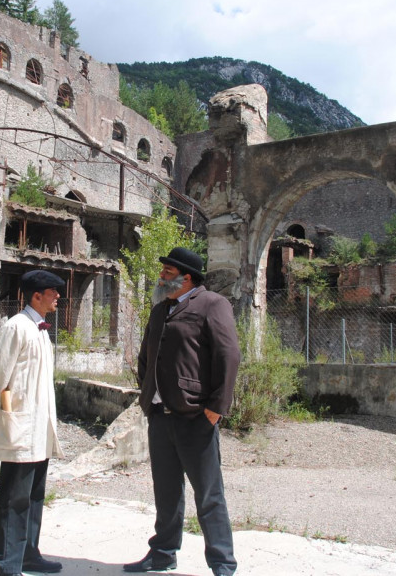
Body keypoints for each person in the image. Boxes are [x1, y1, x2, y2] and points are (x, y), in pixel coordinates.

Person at [125, 247, 241, 576]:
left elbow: (229, 355)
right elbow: (146, 356)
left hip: (195, 417)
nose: (160, 276)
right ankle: (162, 554)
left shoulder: (212, 304)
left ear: (186, 277)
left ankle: (222, 564)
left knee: (209, 495)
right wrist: (148, 394)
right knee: (166, 491)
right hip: (160, 416)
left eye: (167, 272)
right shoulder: (160, 309)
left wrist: (216, 409)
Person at [0, 269, 66, 576]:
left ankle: (29, 554)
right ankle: (8, 564)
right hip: (21, 427)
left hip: (40, 429)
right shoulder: (16, 327)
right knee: (14, 498)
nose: (58, 297)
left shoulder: (40, 329)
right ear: (37, 296)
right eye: (53, 292)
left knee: (34, 495)